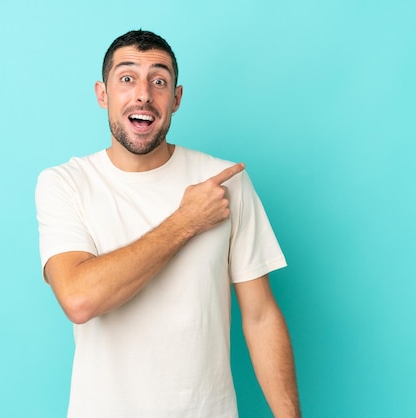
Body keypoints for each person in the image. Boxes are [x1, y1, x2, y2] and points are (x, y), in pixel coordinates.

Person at [35, 29, 300, 418]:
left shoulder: (224, 181)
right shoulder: (65, 183)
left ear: (175, 99)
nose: (143, 93)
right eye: (127, 78)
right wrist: (187, 220)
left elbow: (261, 316)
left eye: (159, 81)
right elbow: (79, 298)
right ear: (102, 94)